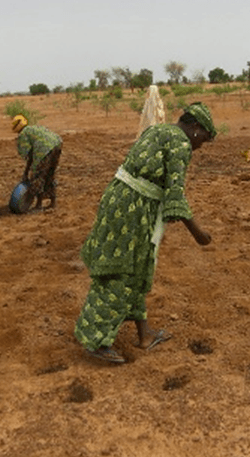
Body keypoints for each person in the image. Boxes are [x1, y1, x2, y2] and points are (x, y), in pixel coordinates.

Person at [74, 102, 217, 364]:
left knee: (137, 267)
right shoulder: (181, 144)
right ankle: (94, 339)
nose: (200, 147)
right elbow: (175, 194)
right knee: (119, 271)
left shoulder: (157, 131)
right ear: (196, 128)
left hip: (120, 200)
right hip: (132, 210)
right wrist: (198, 232)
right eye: (204, 140)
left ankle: (145, 334)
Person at [11, 114, 62, 213]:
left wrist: (26, 173)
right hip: (57, 144)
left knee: (38, 176)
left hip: (43, 149)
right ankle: (53, 202)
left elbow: (28, 154)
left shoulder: (23, 134)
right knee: (49, 174)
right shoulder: (34, 128)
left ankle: (38, 205)